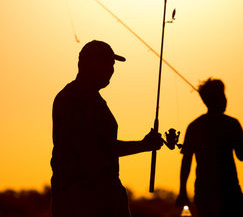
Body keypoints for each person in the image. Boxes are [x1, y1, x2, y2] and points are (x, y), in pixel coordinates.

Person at [50, 40, 163, 217]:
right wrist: (143, 145)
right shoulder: (73, 99)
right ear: (88, 64)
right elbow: (96, 149)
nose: (111, 69)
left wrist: (144, 145)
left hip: (101, 197)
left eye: (112, 64)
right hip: (84, 201)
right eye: (107, 63)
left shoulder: (92, 99)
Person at [176, 78, 243, 217]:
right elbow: (242, 155)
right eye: (222, 96)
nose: (225, 100)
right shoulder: (231, 124)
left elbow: (186, 161)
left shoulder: (194, 126)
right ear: (216, 99)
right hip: (229, 190)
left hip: (203, 191)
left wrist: (182, 190)